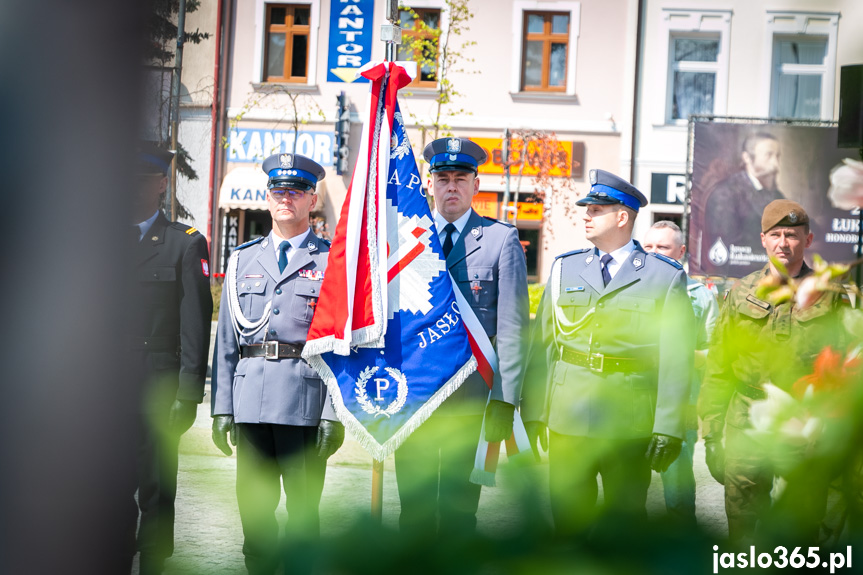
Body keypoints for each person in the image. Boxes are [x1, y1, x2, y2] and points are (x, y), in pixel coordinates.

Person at [521, 169, 695, 537]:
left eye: (596, 209)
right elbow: (545, 344)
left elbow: (676, 359)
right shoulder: (566, 268)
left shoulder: (663, 276)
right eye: (587, 208)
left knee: (626, 522)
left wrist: (668, 425)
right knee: (567, 519)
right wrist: (534, 409)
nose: (586, 215)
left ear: (622, 217)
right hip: (568, 415)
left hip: (628, 421)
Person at [211, 153, 345, 575]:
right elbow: (227, 341)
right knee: (254, 513)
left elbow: (341, 344)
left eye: (295, 192)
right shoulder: (243, 260)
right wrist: (221, 407)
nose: (284, 198)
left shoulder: (331, 263)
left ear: (312, 200)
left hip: (304, 404)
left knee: (303, 516)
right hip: (250, 401)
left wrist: (332, 413)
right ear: (267, 199)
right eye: (277, 191)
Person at [392, 137, 529, 539]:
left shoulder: (501, 240)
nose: (451, 186)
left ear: (475, 185)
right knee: (412, 516)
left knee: (457, 518)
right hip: (413, 400)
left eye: (460, 178)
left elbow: (512, 329)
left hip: (470, 402)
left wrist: (505, 399)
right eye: (443, 177)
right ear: (429, 185)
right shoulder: (405, 242)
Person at [698, 199, 847, 543]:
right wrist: (711, 435)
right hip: (746, 421)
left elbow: (843, 370)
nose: (784, 242)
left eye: (792, 235)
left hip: (805, 425)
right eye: (776, 234)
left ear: (808, 240)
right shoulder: (740, 293)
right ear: (762, 239)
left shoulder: (829, 295)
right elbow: (719, 366)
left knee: (802, 526)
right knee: (743, 526)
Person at [129, 141, 213, 574]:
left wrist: (190, 392)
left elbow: (195, 321)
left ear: (161, 184)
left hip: (160, 385)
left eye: (143, 180)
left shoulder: (183, 243)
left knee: (158, 487)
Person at [642, 221, 719, 526]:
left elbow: (716, 352)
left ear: (681, 251)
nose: (654, 253)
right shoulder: (628, 286)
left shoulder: (700, 295)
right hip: (634, 397)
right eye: (648, 246)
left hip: (681, 401)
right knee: (629, 487)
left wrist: (682, 356)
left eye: (662, 247)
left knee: (677, 483)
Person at [703, 132, 786, 271]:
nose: (775, 164)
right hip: (738, 277)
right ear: (747, 157)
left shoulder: (776, 195)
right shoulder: (726, 193)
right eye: (768, 155)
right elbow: (725, 242)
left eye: (777, 156)